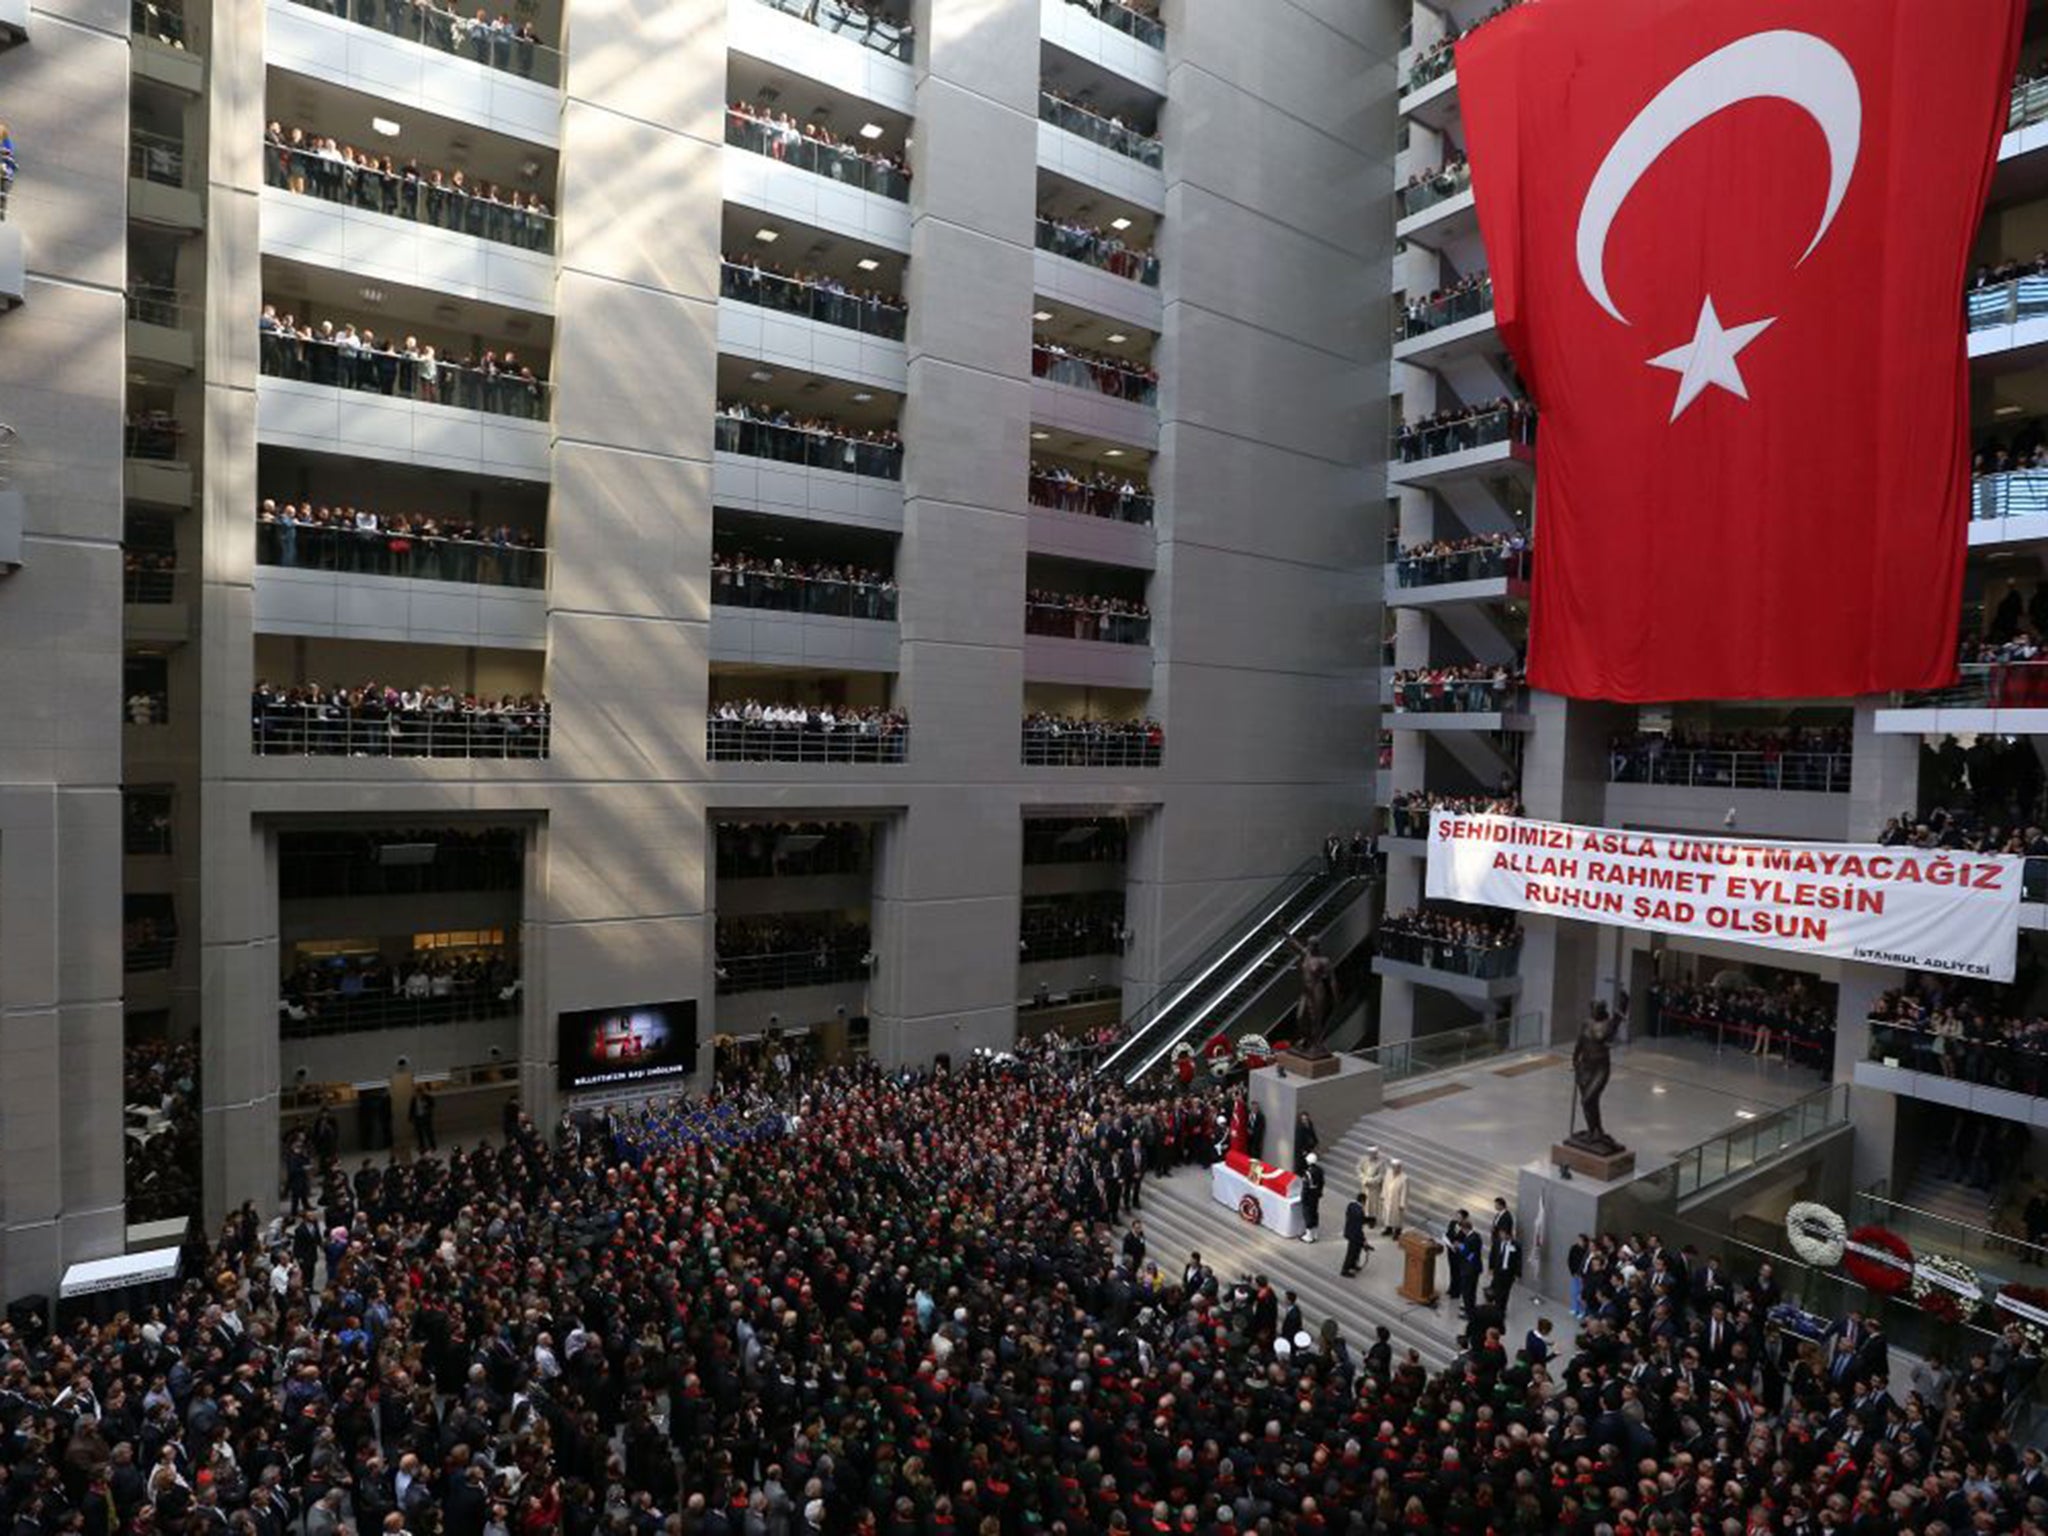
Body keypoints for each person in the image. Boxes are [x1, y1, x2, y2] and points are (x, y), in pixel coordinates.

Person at [1340, 1190, 1369, 1276]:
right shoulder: (1360, 1211)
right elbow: (1358, 1227)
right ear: (1363, 1201)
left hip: (1349, 1232)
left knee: (1356, 1251)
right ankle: (1345, 1270)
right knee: (1351, 1253)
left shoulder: (1351, 1205)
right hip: (1355, 1235)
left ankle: (1353, 1265)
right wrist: (1363, 1239)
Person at [1380, 1156, 1408, 1238]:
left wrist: (1402, 1204)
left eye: (1396, 1167)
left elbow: (1404, 1192)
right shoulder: (1389, 1172)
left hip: (1397, 1201)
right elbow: (1385, 1184)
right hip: (1388, 1198)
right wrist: (1383, 1194)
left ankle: (1397, 1232)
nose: (1394, 1169)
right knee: (1388, 1215)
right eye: (1393, 1167)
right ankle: (1388, 1229)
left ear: (1400, 1168)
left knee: (1397, 1218)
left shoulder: (1404, 1178)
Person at [1356, 1143, 1384, 1226]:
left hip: (1374, 1187)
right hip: (1365, 1184)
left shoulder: (1380, 1162)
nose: (1372, 1155)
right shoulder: (1363, 1160)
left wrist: (1372, 1181)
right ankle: (1364, 1217)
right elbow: (1358, 1169)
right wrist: (1363, 1178)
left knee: (1373, 1203)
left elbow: (1381, 1175)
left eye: (1374, 1153)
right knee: (1364, 1202)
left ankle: (1372, 1219)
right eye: (1370, 1154)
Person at [1300, 1152, 1324, 1242]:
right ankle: (1315, 1233)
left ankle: (1309, 1236)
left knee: (1308, 1214)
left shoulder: (1308, 1173)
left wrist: (1303, 1197)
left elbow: (1305, 1187)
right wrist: (1319, 1193)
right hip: (1316, 1195)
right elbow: (1322, 1183)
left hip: (1309, 1195)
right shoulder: (1320, 1170)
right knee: (1314, 1212)